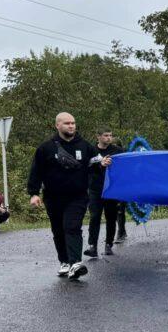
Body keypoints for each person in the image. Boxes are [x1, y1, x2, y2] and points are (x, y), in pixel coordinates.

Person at [27, 112, 112, 280]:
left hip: (77, 196)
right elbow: (36, 172)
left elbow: (94, 164)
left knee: (72, 227)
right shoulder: (46, 148)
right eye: (67, 123)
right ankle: (64, 262)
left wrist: (101, 164)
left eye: (73, 123)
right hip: (53, 197)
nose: (71, 126)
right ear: (57, 125)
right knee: (58, 230)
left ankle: (75, 263)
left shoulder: (85, 146)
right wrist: (34, 194)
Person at [84, 128, 122, 258]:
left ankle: (108, 245)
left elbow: (125, 165)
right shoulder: (91, 150)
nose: (108, 138)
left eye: (110, 135)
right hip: (95, 188)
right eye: (105, 135)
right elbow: (85, 165)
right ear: (98, 136)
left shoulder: (117, 151)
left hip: (111, 189)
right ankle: (92, 246)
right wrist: (100, 163)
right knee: (95, 216)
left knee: (110, 217)